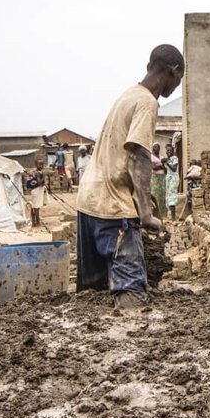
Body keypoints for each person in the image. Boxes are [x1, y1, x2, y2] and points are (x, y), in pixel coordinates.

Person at [76, 44, 185, 308]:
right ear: (174, 72)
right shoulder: (147, 102)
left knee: (94, 298)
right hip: (113, 208)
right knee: (131, 295)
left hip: (88, 201)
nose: (176, 88)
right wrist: (146, 213)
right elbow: (138, 155)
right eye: (179, 81)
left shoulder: (128, 95)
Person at [26, 159, 47, 227]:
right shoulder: (38, 173)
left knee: (34, 206)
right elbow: (39, 183)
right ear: (36, 165)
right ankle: (37, 222)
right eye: (40, 164)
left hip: (35, 190)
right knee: (36, 207)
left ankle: (34, 222)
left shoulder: (35, 172)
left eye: (42, 164)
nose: (41, 166)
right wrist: (43, 177)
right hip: (37, 190)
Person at [150, 142, 167, 218]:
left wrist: (161, 166)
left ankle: (163, 214)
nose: (157, 148)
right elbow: (153, 167)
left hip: (162, 177)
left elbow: (165, 169)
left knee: (162, 194)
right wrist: (161, 165)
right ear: (153, 148)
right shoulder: (151, 157)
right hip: (155, 177)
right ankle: (156, 213)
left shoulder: (161, 156)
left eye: (158, 147)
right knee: (155, 194)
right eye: (155, 147)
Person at [163, 143, 179, 220]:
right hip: (168, 178)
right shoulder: (168, 159)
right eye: (167, 150)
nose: (168, 151)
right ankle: (171, 216)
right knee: (168, 196)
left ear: (173, 151)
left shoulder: (175, 158)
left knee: (172, 196)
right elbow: (166, 171)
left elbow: (174, 169)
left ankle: (173, 218)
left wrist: (167, 162)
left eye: (170, 150)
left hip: (174, 178)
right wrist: (163, 164)